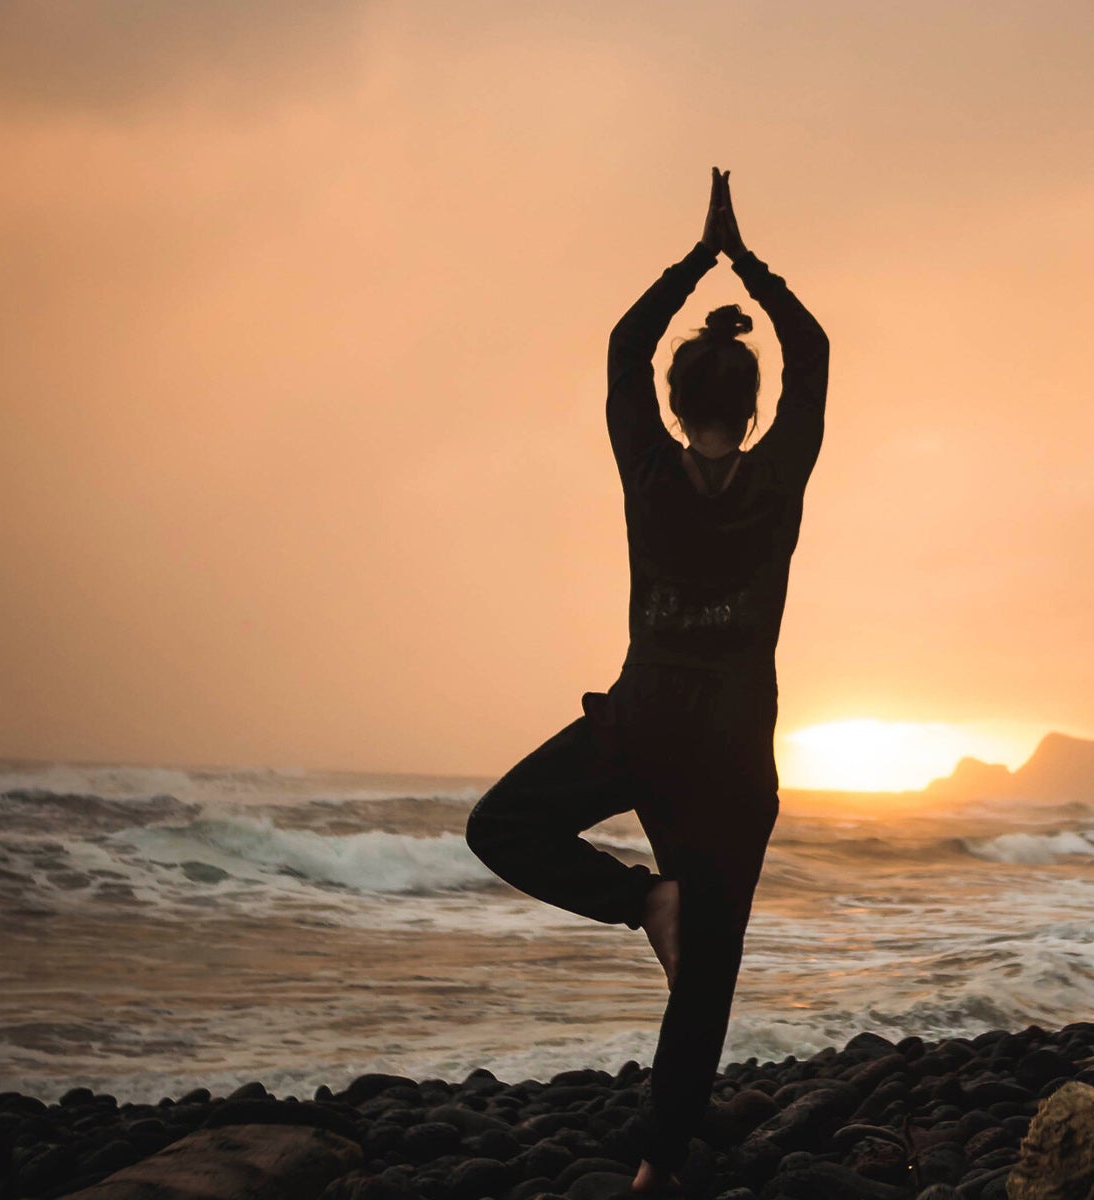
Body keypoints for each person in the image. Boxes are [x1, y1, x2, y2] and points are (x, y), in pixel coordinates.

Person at [465, 167, 828, 1194]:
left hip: (645, 724)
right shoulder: (779, 474)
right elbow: (815, 352)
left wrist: (696, 260)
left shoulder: (650, 470)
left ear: (672, 404)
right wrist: (750, 265)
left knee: (502, 825)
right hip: (731, 752)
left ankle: (641, 904)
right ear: (755, 411)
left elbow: (625, 347)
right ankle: (657, 1171)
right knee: (707, 975)